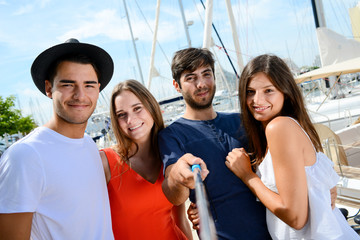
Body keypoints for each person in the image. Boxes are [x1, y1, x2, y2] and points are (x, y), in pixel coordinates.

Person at [226, 54, 360, 239]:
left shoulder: (279, 127)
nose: (257, 100)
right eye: (250, 92)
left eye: (268, 90)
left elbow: (296, 218)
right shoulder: (290, 127)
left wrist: (248, 176)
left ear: (285, 91)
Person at [0, 39, 114, 240]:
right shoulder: (25, 156)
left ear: (98, 89)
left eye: (89, 85)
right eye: (68, 84)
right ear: (49, 88)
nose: (80, 95)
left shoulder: (88, 144)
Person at [158, 48, 272, 239]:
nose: (201, 84)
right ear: (177, 85)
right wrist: (179, 175)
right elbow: (174, 192)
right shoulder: (171, 136)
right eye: (191, 78)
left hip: (272, 231)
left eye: (206, 74)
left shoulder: (243, 121)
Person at [100, 79, 193, 240]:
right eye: (122, 115)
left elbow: (180, 219)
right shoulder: (105, 162)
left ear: (151, 107)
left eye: (137, 109)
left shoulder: (169, 158)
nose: (130, 120)